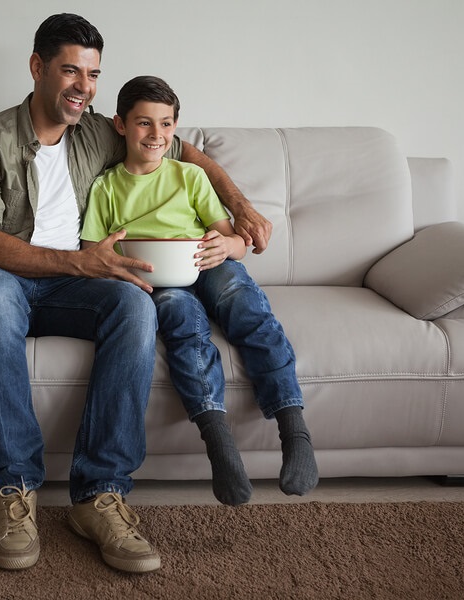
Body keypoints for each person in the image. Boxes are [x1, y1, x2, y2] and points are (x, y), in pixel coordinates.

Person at [0, 15, 273, 573]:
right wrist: (82, 261)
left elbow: (184, 153)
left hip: (74, 284)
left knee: (135, 301)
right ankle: (15, 491)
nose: (83, 86)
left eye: (92, 74)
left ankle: (99, 495)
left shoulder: (94, 131)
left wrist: (241, 207)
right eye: (70, 70)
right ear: (37, 68)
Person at [81, 76, 318, 506]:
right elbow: (91, 253)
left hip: (208, 262)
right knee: (181, 324)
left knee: (245, 306)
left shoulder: (189, 176)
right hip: (159, 277)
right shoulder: (106, 187)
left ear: (175, 128)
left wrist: (231, 245)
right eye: (144, 124)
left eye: (167, 124)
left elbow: (230, 237)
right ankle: (219, 442)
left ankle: (293, 428)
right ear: (120, 125)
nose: (156, 135)